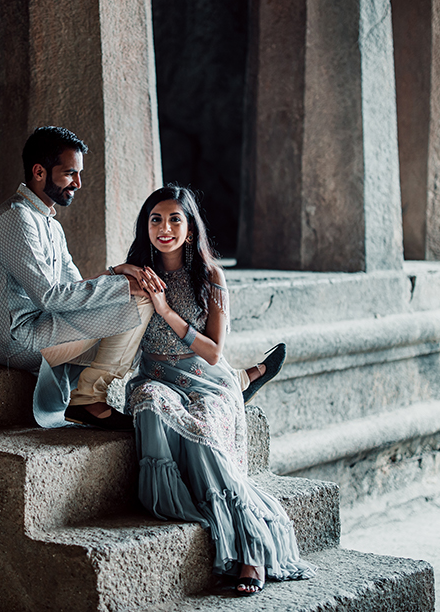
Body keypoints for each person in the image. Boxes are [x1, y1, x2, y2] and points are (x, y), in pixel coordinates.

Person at [123, 185, 315, 596]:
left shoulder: (210, 276)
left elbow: (212, 352)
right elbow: (105, 284)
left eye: (176, 219)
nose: (165, 228)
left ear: (190, 230)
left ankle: (251, 547)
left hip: (206, 377)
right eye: (156, 219)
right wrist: (123, 270)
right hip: (156, 377)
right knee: (151, 405)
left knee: (206, 433)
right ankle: (249, 378)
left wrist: (166, 311)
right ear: (146, 227)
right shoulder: (142, 269)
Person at [0, 126, 162, 430]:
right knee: (139, 304)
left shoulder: (51, 225)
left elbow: (75, 291)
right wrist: (120, 286)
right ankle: (88, 399)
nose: (78, 183)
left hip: (46, 324)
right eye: (70, 174)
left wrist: (116, 272)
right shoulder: (16, 218)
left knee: (145, 302)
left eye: (78, 174)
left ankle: (190, 381)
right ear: (39, 172)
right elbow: (51, 297)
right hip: (19, 338)